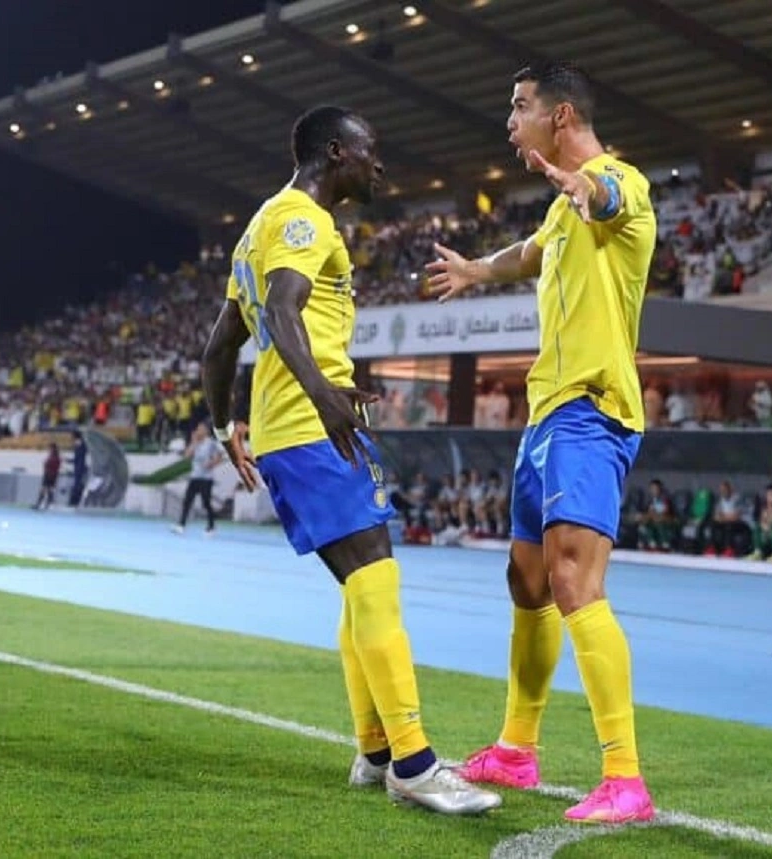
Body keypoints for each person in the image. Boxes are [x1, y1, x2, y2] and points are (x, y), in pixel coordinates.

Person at [200, 104, 500, 816]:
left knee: (363, 588)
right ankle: (415, 764)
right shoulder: (305, 221)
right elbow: (281, 310)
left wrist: (223, 429)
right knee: (377, 585)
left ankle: (374, 747)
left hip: (295, 428)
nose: (380, 165)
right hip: (312, 428)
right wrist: (325, 397)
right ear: (337, 152)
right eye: (372, 152)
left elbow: (219, 347)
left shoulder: (259, 226)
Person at [425, 61, 656, 823]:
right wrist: (473, 270)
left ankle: (625, 777)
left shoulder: (621, 183)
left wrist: (585, 185)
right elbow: (526, 253)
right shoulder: (558, 216)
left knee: (571, 582)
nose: (508, 118)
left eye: (519, 105)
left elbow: (608, 198)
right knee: (526, 583)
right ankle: (516, 749)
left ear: (560, 116)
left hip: (592, 410)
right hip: (546, 415)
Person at [172, 422, 224, 534]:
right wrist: (194, 443)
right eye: (197, 428)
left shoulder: (211, 443)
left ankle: (211, 526)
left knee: (206, 503)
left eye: (201, 429)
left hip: (206, 478)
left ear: (206, 431)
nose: (198, 431)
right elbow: (187, 456)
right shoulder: (195, 442)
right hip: (195, 476)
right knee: (187, 501)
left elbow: (219, 457)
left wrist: (211, 464)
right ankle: (181, 524)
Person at [33, 443, 61, 511]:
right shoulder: (54, 457)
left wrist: (45, 464)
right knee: (49, 489)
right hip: (52, 475)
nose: (48, 450)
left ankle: (40, 504)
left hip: (49, 475)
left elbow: (49, 465)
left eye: (50, 448)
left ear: (52, 448)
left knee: (45, 489)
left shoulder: (53, 457)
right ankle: (47, 504)